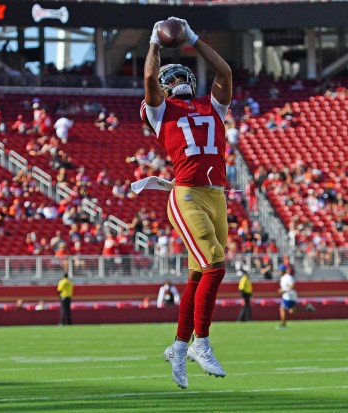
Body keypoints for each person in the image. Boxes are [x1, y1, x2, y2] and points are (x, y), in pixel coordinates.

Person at [142, 16, 232, 389]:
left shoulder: (212, 108)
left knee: (197, 276)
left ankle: (179, 348)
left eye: (182, 77)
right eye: (171, 78)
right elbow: (149, 81)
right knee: (216, 266)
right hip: (187, 194)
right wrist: (154, 44)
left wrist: (194, 38)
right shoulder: (161, 111)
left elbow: (224, 71)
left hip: (217, 196)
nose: (177, 82)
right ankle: (202, 343)